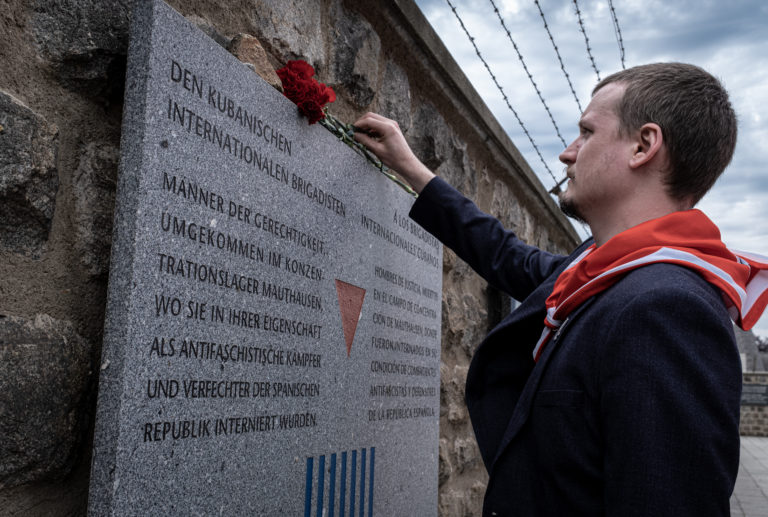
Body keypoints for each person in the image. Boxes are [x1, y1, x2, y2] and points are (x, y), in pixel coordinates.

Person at [353, 63, 768, 516]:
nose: (568, 153)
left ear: (643, 145)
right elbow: (508, 256)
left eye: (587, 132)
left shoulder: (665, 308)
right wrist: (414, 171)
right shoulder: (600, 270)